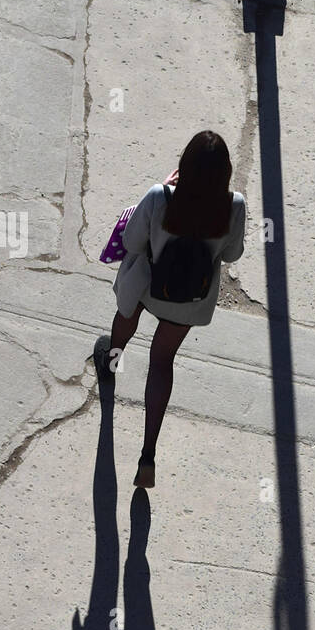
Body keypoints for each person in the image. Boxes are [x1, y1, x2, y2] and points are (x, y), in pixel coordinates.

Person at [94, 130, 246, 489]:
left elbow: (132, 241)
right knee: (162, 362)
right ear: (224, 172)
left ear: (184, 165)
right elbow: (231, 255)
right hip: (189, 299)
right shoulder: (234, 205)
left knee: (126, 319)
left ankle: (111, 362)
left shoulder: (160, 197)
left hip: (148, 285)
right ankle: (147, 455)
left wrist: (161, 191)